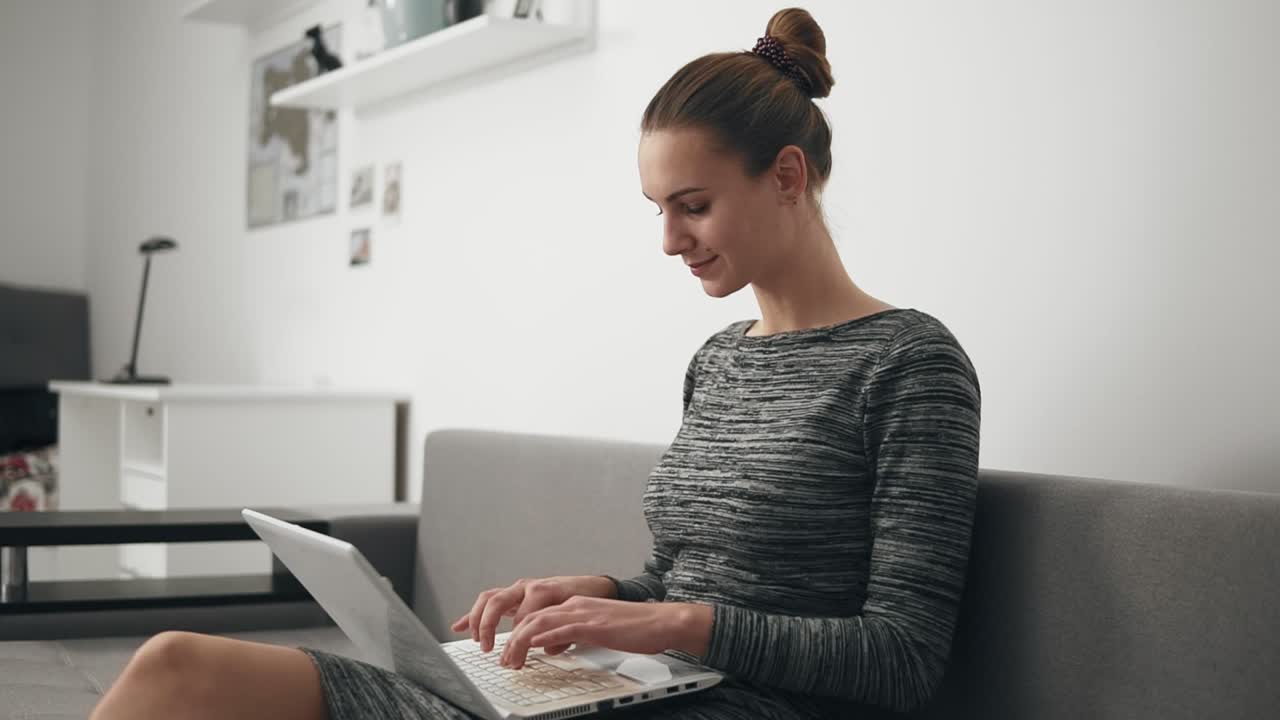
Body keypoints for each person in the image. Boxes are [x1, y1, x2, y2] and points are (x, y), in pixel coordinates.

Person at [89, 7, 980, 720]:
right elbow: (684, 577)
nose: (669, 240)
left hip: (753, 705)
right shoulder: (719, 361)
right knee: (179, 668)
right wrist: (595, 593)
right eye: (656, 209)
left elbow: (900, 658)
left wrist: (663, 621)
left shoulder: (909, 365)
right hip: (639, 682)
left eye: (693, 206)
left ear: (787, 176)